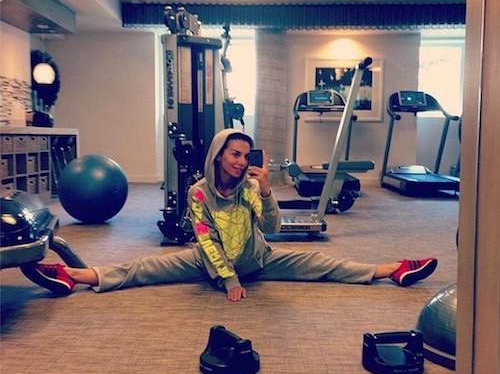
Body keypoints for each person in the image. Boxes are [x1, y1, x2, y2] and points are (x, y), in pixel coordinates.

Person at [28, 129, 437, 302]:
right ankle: (73, 275)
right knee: (146, 268)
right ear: (219, 155)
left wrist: (267, 191)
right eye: (235, 154)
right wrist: (229, 280)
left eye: (245, 155)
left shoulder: (250, 188)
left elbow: (272, 229)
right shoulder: (199, 192)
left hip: (259, 258)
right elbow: (205, 239)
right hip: (208, 262)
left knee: (322, 263)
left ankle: (393, 269)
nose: (241, 162)